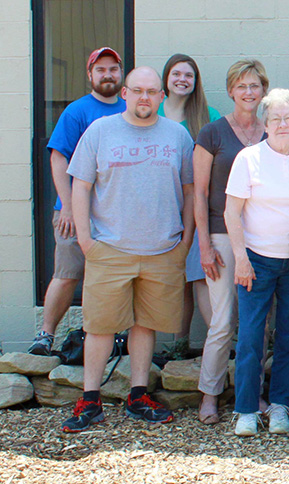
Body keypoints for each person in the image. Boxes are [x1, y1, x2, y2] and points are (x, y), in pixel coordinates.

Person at [61, 66, 193, 432]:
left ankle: (138, 395)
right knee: (100, 326)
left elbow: (189, 191)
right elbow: (81, 186)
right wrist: (85, 240)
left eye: (152, 92)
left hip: (162, 248)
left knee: (146, 324)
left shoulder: (177, 135)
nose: (145, 98)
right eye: (137, 91)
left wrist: (185, 242)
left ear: (162, 97)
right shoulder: (100, 131)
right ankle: (90, 400)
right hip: (109, 247)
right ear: (125, 93)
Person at [29, 47, 125, 357]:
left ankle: (114, 340)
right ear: (90, 75)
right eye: (101, 70)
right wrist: (68, 207)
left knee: (116, 279)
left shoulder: (130, 110)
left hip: (116, 216)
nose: (107, 74)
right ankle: (45, 336)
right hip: (74, 212)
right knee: (67, 273)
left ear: (121, 73)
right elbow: (58, 159)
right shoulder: (77, 111)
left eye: (112, 69)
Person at [226, 89, 289, 437]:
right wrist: (241, 258)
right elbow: (232, 213)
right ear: (264, 122)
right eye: (274, 118)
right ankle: (246, 408)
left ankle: (280, 407)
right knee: (250, 335)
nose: (281, 124)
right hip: (256, 260)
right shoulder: (248, 159)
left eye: (287, 117)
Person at [193, 59, 269, 425]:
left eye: (254, 86)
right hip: (221, 237)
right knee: (223, 321)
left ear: (263, 90)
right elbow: (199, 191)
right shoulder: (212, 133)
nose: (249, 93)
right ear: (230, 91)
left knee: (259, 324)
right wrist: (204, 245)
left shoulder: (271, 133)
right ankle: (209, 394)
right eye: (242, 86)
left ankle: (253, 394)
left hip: (261, 239)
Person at [159, 53, 222, 359]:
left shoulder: (207, 116)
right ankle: (178, 343)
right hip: (159, 210)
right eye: (177, 74)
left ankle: (219, 343)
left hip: (197, 209)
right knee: (174, 279)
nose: (182, 80)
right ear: (166, 79)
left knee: (197, 274)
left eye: (189, 75)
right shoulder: (151, 113)